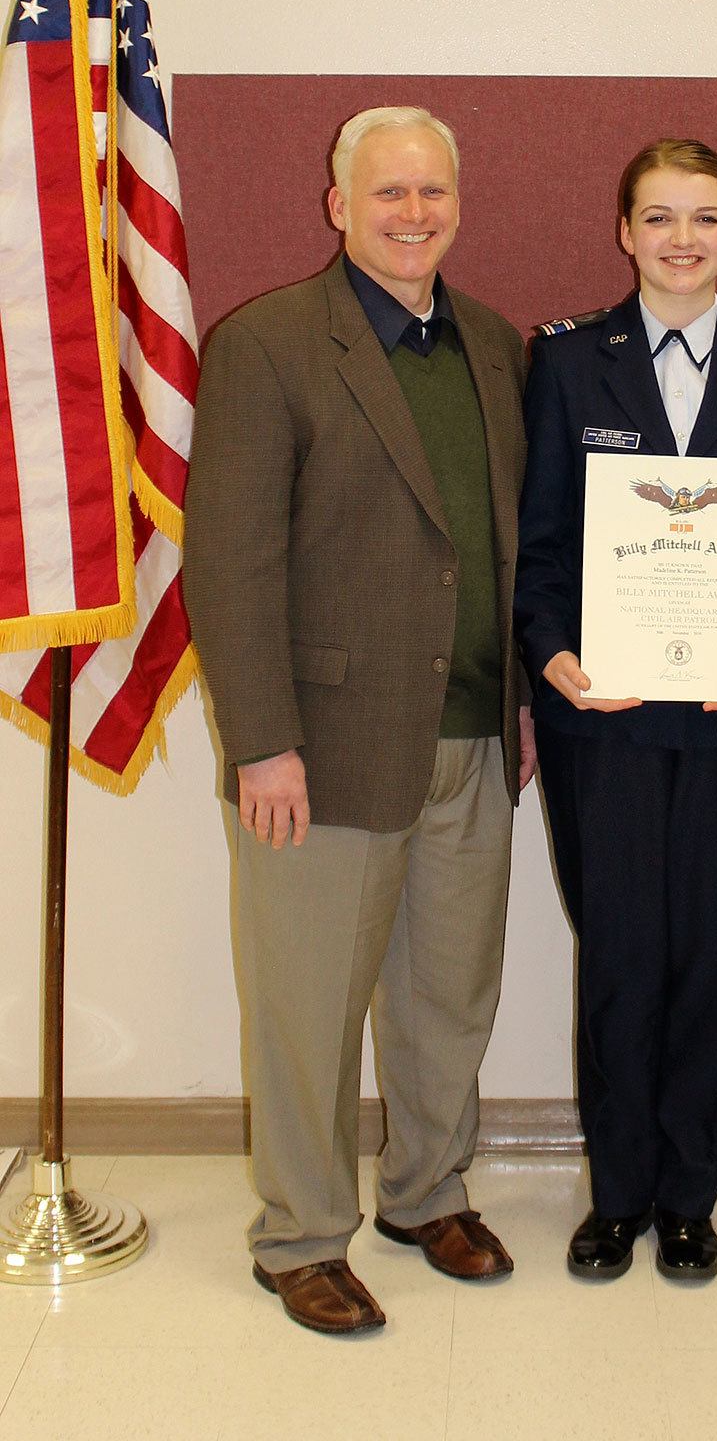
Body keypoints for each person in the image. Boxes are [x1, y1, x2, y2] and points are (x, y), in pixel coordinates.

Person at [184, 106, 534, 1335]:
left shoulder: (496, 346)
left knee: (449, 997)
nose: (412, 214)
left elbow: (508, 548)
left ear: (457, 202)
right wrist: (258, 741)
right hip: (318, 752)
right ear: (338, 204)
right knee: (307, 1009)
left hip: (477, 741)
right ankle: (298, 1235)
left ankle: (426, 1192)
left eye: (432, 192)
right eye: (387, 193)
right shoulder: (269, 343)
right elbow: (226, 562)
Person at [516, 138, 717, 1281]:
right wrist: (549, 655)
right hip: (596, 717)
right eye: (658, 218)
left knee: (709, 952)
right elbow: (539, 543)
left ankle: (692, 1192)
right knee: (616, 953)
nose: (681, 240)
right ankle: (615, 1196)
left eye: (704, 218)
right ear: (624, 232)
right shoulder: (562, 361)